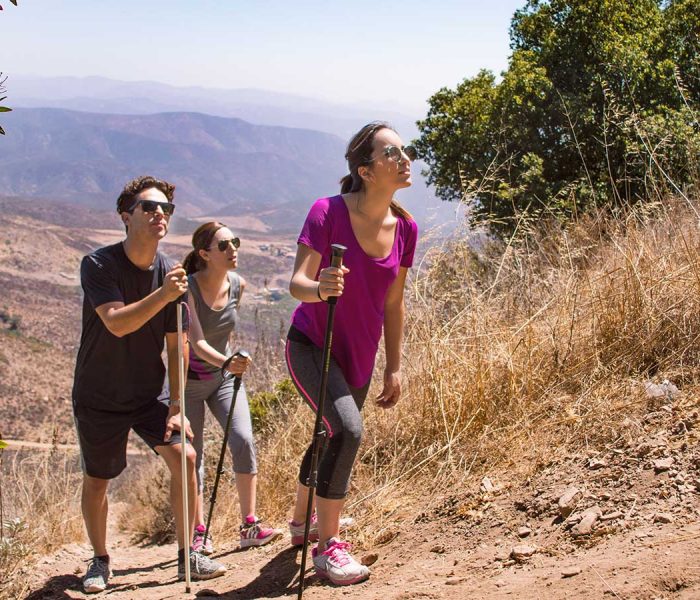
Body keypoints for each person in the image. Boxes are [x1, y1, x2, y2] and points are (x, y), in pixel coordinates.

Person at [72, 176, 226, 594]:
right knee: (99, 479)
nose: (160, 214)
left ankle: (186, 555)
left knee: (186, 458)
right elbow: (117, 322)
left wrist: (177, 404)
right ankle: (100, 559)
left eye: (166, 210)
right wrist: (163, 295)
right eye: (149, 208)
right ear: (126, 215)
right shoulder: (99, 265)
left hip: (147, 394)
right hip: (99, 393)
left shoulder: (169, 275)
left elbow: (178, 347)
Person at [285, 122, 419, 586]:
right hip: (312, 348)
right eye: (391, 153)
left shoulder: (405, 228)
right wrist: (320, 288)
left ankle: (302, 522)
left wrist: (395, 365)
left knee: (330, 435)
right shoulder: (327, 213)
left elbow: (393, 302)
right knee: (347, 429)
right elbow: (297, 284)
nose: (404, 159)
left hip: (360, 355)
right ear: (365, 170)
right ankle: (328, 548)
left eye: (405, 151)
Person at [182, 222, 282, 554]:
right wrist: (226, 362)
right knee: (191, 459)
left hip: (223, 379)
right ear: (204, 254)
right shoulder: (188, 290)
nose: (233, 249)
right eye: (224, 245)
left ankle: (249, 525)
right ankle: (198, 532)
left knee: (243, 440)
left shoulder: (237, 285)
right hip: (188, 383)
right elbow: (196, 342)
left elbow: (222, 334)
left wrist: (230, 359)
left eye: (235, 242)